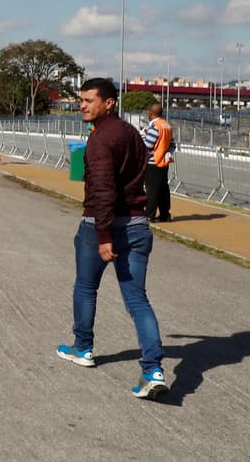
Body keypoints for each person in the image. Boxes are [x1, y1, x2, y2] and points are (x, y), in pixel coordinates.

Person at [57, 78, 168, 401]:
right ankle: (153, 369)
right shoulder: (131, 133)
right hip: (137, 224)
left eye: (90, 100)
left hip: (101, 227)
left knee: (86, 287)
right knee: (137, 300)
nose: (83, 105)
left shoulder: (101, 140)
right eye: (81, 100)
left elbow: (104, 190)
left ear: (109, 103)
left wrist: (104, 235)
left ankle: (83, 348)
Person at [140, 102, 175, 223]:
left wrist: (143, 135)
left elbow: (147, 145)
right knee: (163, 189)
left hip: (153, 162)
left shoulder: (155, 126)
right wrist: (168, 153)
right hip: (163, 162)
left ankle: (149, 215)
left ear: (150, 113)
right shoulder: (166, 125)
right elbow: (172, 144)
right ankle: (165, 214)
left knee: (152, 190)